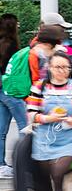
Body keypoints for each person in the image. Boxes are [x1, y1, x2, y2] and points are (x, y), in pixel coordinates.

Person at [27, 51, 72, 191]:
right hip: (44, 140)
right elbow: (31, 114)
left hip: (70, 139)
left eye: (66, 67)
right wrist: (48, 118)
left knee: (57, 173)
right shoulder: (39, 87)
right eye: (58, 67)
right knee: (44, 178)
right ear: (49, 67)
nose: (62, 71)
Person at [0, 14, 25, 179]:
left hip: (0, 91)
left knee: (1, 131)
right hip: (10, 91)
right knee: (25, 127)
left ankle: (1, 166)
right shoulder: (13, 46)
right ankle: (24, 164)